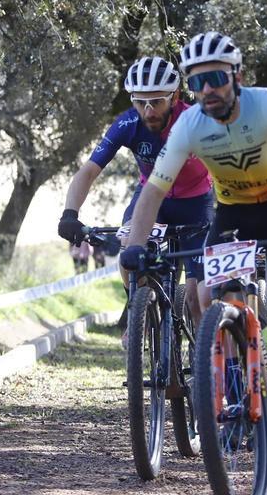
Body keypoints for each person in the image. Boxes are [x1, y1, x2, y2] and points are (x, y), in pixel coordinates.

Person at [119, 32, 267, 417]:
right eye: (197, 82)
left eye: (216, 78)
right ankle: (243, 379)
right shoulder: (188, 125)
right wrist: (135, 246)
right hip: (233, 211)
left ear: (236, 76)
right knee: (208, 296)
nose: (208, 90)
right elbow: (153, 191)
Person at [57, 56, 214, 343]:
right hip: (151, 199)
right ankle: (138, 306)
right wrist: (70, 212)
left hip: (196, 202)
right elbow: (90, 170)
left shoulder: (194, 120)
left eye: (156, 101)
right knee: (130, 249)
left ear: (176, 96)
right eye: (140, 102)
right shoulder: (128, 122)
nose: (148, 110)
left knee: (195, 297)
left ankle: (208, 369)